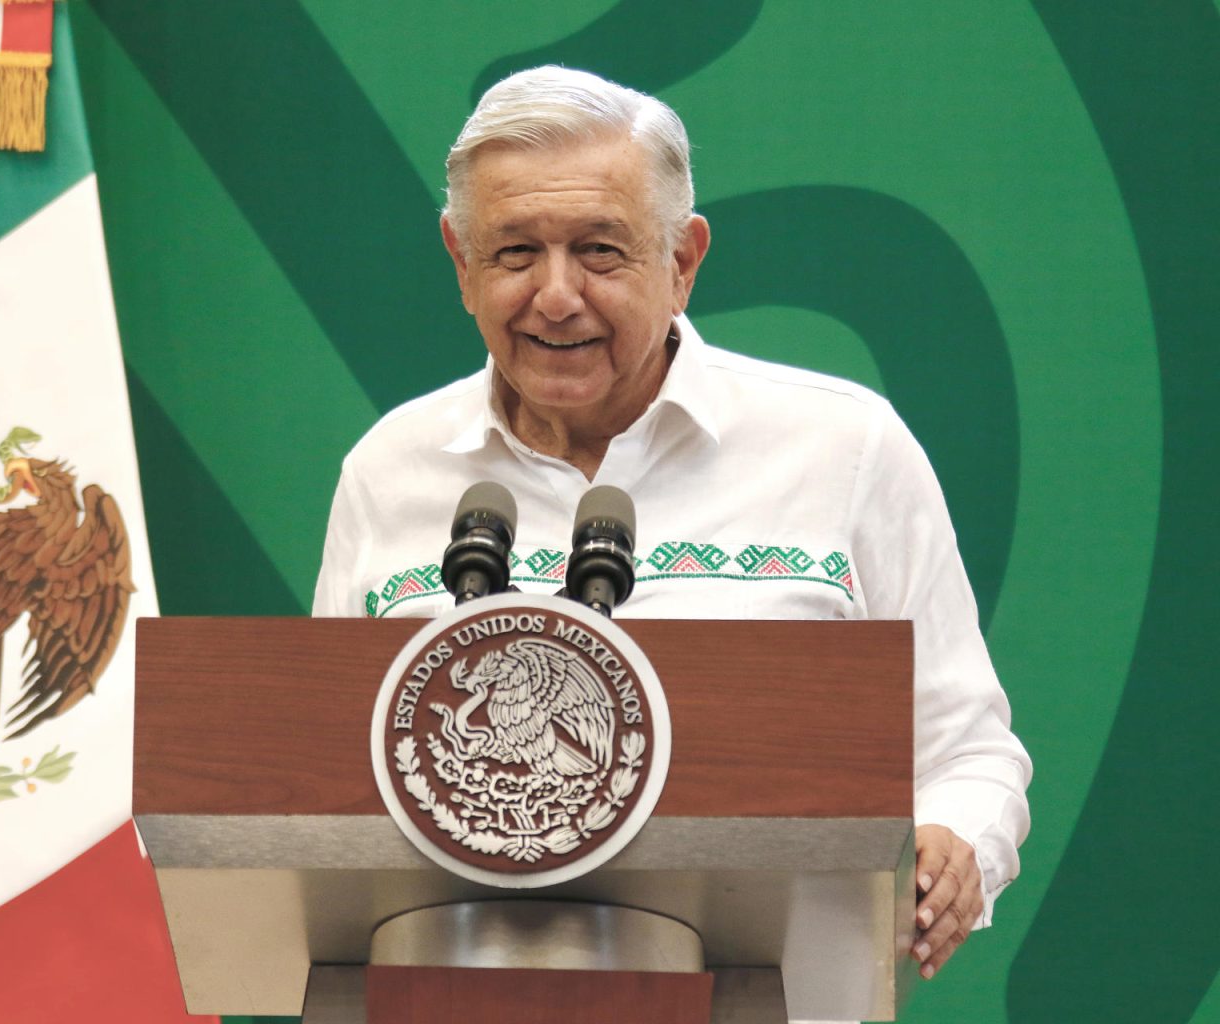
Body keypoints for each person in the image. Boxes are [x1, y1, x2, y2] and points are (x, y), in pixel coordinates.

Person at [312, 65, 1030, 990]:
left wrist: (953, 845)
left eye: (601, 251)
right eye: (516, 252)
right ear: (460, 263)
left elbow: (965, 748)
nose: (557, 294)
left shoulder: (842, 448)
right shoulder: (390, 469)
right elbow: (330, 773)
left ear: (683, 260)